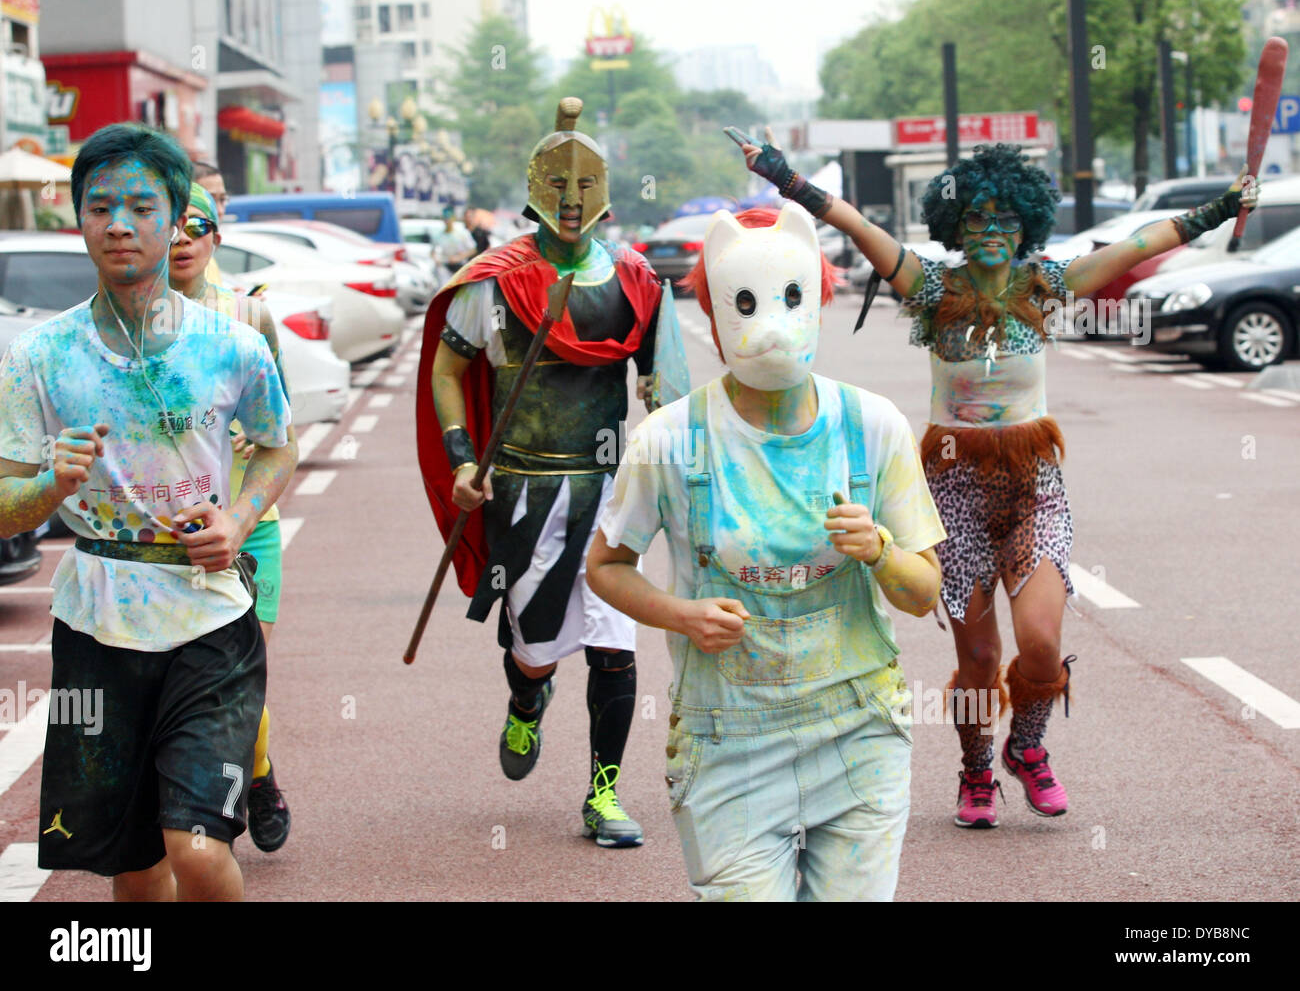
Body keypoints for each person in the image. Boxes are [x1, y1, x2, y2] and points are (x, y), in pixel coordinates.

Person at [736, 130, 1257, 827]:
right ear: (956, 226)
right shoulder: (930, 288)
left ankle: (1028, 747)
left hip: (1033, 488)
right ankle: (977, 769)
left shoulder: (1046, 285)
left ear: (1025, 227)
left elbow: (1136, 245)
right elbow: (857, 226)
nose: (991, 232)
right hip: (953, 491)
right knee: (979, 655)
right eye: (977, 219)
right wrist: (787, 179)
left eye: (1006, 220)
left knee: (1040, 644)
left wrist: (1219, 208)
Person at [586, 204, 945, 900]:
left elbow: (923, 592)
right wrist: (681, 614)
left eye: (790, 297)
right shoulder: (671, 437)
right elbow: (606, 567)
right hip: (729, 743)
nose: (769, 324)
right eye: (744, 303)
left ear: (818, 300)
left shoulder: (871, 425)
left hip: (858, 730)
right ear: (716, 313)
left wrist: (879, 550)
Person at [0, 123, 296, 900]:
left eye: (141, 206)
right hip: (96, 628)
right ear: (80, 219)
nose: (119, 224)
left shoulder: (232, 344)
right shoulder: (39, 356)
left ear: (175, 217)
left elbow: (278, 448)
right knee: (133, 867)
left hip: (210, 620)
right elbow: (4, 508)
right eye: (100, 207)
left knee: (196, 849)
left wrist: (238, 520)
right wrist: (51, 487)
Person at [416, 97, 663, 848]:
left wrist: (671, 456)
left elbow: (665, 394)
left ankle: (604, 794)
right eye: (559, 186)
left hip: (608, 492)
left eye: (584, 186)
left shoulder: (637, 281)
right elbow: (447, 370)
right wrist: (462, 459)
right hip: (523, 494)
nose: (571, 202)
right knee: (533, 650)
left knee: (616, 646)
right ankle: (528, 700)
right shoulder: (494, 281)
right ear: (535, 189)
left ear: (604, 192)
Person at [169, 180, 294, 852]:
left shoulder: (249, 317)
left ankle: (254, 781)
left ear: (217, 237)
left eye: (198, 225)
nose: (182, 239)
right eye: (172, 223)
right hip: (164, 541)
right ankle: (249, 778)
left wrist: (254, 434)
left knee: (244, 673)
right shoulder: (129, 322)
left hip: (251, 531)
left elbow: (283, 422)